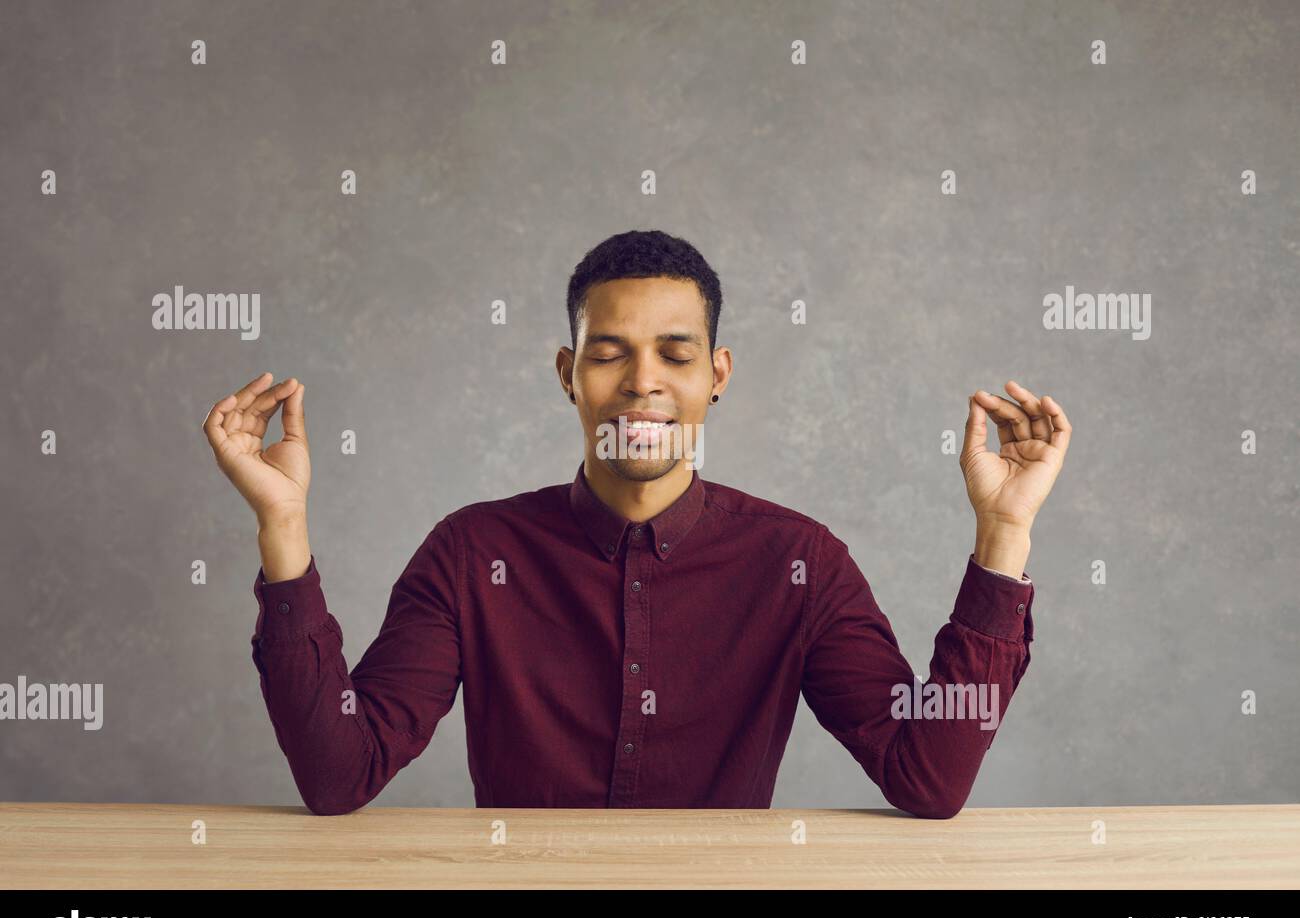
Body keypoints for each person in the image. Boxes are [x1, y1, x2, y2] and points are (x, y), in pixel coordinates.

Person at [202, 229, 1071, 816]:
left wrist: (1003, 536)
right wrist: (282, 524)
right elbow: (339, 773)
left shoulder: (797, 562)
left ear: (718, 374)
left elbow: (927, 777)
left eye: (676, 353)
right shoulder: (474, 554)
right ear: (568, 375)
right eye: (609, 352)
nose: (643, 381)